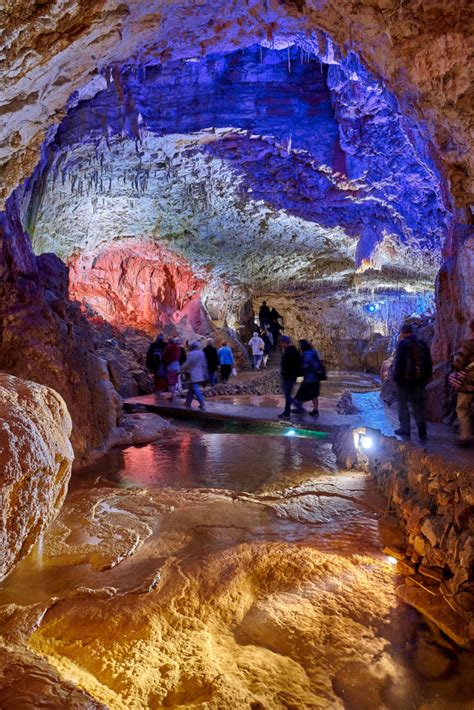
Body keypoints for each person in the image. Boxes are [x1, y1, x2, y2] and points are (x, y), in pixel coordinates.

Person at [393, 323, 432, 440]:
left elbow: (399, 364)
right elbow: (429, 362)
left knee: (403, 405)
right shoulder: (422, 343)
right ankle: (422, 430)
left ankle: (405, 429)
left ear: (403, 332)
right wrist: (426, 378)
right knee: (418, 405)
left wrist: (396, 379)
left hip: (404, 382)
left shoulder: (402, 344)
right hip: (419, 381)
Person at [452, 318, 474, 447]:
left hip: (468, 383)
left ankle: (465, 436)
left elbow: (458, 362)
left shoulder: (468, 343)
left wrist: (455, 358)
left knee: (462, 408)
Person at [292, 340, 326, 417]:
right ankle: (315, 410)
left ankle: (300, 408)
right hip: (316, 377)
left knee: (302, 393)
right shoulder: (313, 352)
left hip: (309, 378)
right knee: (313, 395)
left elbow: (305, 366)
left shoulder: (306, 354)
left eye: (300, 346)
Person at [278, 335, 302, 420]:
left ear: (285, 342)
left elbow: (287, 365)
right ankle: (288, 412)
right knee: (289, 395)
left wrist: (284, 374)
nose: (281, 344)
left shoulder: (289, 351)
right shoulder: (294, 350)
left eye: (281, 342)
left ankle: (294, 410)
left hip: (289, 376)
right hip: (293, 376)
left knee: (288, 395)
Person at [182, 342, 207, 410]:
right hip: (200, 373)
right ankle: (188, 402)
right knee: (191, 388)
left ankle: (202, 402)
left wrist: (180, 368)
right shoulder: (201, 353)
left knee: (195, 388)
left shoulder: (191, 354)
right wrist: (205, 373)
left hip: (193, 373)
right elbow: (204, 364)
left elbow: (187, 363)